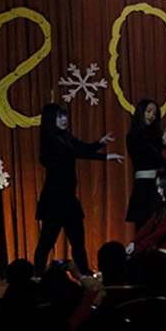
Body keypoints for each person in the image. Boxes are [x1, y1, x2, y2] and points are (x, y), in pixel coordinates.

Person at [33, 103, 123, 276]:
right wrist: (106, 156)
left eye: (64, 115)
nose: (64, 119)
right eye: (59, 116)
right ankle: (37, 276)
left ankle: (85, 275)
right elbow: (77, 153)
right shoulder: (51, 141)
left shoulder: (65, 137)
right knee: (46, 242)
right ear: (51, 119)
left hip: (68, 199)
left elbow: (83, 147)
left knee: (78, 242)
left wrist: (100, 142)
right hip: (54, 200)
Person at [126, 98, 166, 232]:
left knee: (159, 224)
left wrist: (163, 144)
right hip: (144, 185)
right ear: (141, 112)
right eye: (148, 111)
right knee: (144, 226)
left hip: (157, 183)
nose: (151, 116)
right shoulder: (133, 136)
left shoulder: (154, 136)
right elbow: (150, 154)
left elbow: (154, 154)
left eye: (155, 114)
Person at [126, 168, 166, 263]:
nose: (159, 191)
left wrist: (134, 252)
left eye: (162, 187)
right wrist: (133, 243)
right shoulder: (164, 208)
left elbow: (156, 235)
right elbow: (148, 227)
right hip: (161, 257)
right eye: (158, 187)